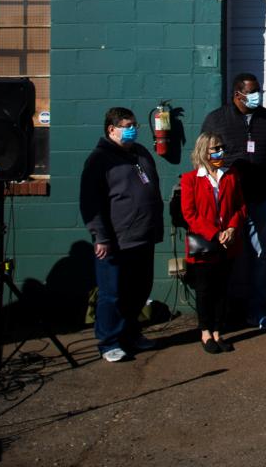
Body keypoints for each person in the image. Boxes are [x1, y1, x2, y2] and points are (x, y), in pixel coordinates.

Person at [201, 73, 266, 330]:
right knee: (223, 256)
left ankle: (257, 312)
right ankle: (221, 316)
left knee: (258, 256)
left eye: (258, 91)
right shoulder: (216, 119)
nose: (257, 96)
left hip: (261, 200)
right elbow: (203, 158)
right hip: (227, 203)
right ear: (237, 94)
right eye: (252, 92)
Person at [80, 107, 163, 362]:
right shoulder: (100, 159)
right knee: (112, 293)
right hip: (116, 240)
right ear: (111, 129)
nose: (133, 129)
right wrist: (100, 236)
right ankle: (109, 342)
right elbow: (90, 202)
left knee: (138, 290)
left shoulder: (140, 153)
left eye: (135, 124)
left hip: (143, 236)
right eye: (127, 125)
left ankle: (131, 334)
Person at [181, 132, 247, 354]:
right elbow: (189, 214)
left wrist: (231, 227)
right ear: (203, 151)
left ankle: (218, 331)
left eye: (221, 147)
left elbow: (240, 206)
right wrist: (214, 233)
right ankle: (205, 332)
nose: (219, 152)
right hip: (205, 243)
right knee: (205, 290)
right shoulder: (191, 179)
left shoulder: (230, 175)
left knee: (222, 289)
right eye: (214, 148)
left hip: (227, 242)